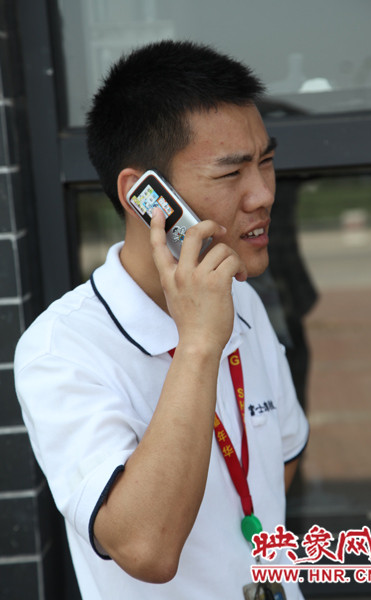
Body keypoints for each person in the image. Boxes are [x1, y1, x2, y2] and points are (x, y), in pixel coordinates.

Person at [14, 40, 309, 600]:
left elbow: (281, 462)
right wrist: (198, 343)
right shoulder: (61, 347)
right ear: (147, 198)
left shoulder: (241, 299)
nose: (263, 194)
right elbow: (145, 550)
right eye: (231, 173)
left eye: (265, 162)